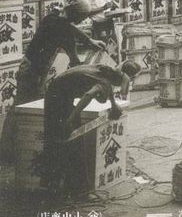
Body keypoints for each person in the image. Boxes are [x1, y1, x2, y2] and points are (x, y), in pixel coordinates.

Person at [39, 60, 140, 197]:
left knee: (71, 139)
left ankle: (66, 187)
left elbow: (106, 86)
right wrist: (72, 117)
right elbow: (89, 95)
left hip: (58, 93)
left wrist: (113, 104)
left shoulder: (106, 71)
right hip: (57, 100)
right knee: (70, 140)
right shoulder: (104, 82)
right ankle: (73, 189)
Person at [16, 0, 106, 105]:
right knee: (26, 105)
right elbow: (75, 62)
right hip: (32, 71)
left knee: (26, 104)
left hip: (32, 65)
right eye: (82, 17)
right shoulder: (64, 32)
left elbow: (69, 27)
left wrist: (88, 40)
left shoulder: (52, 16)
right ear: (75, 15)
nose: (84, 19)